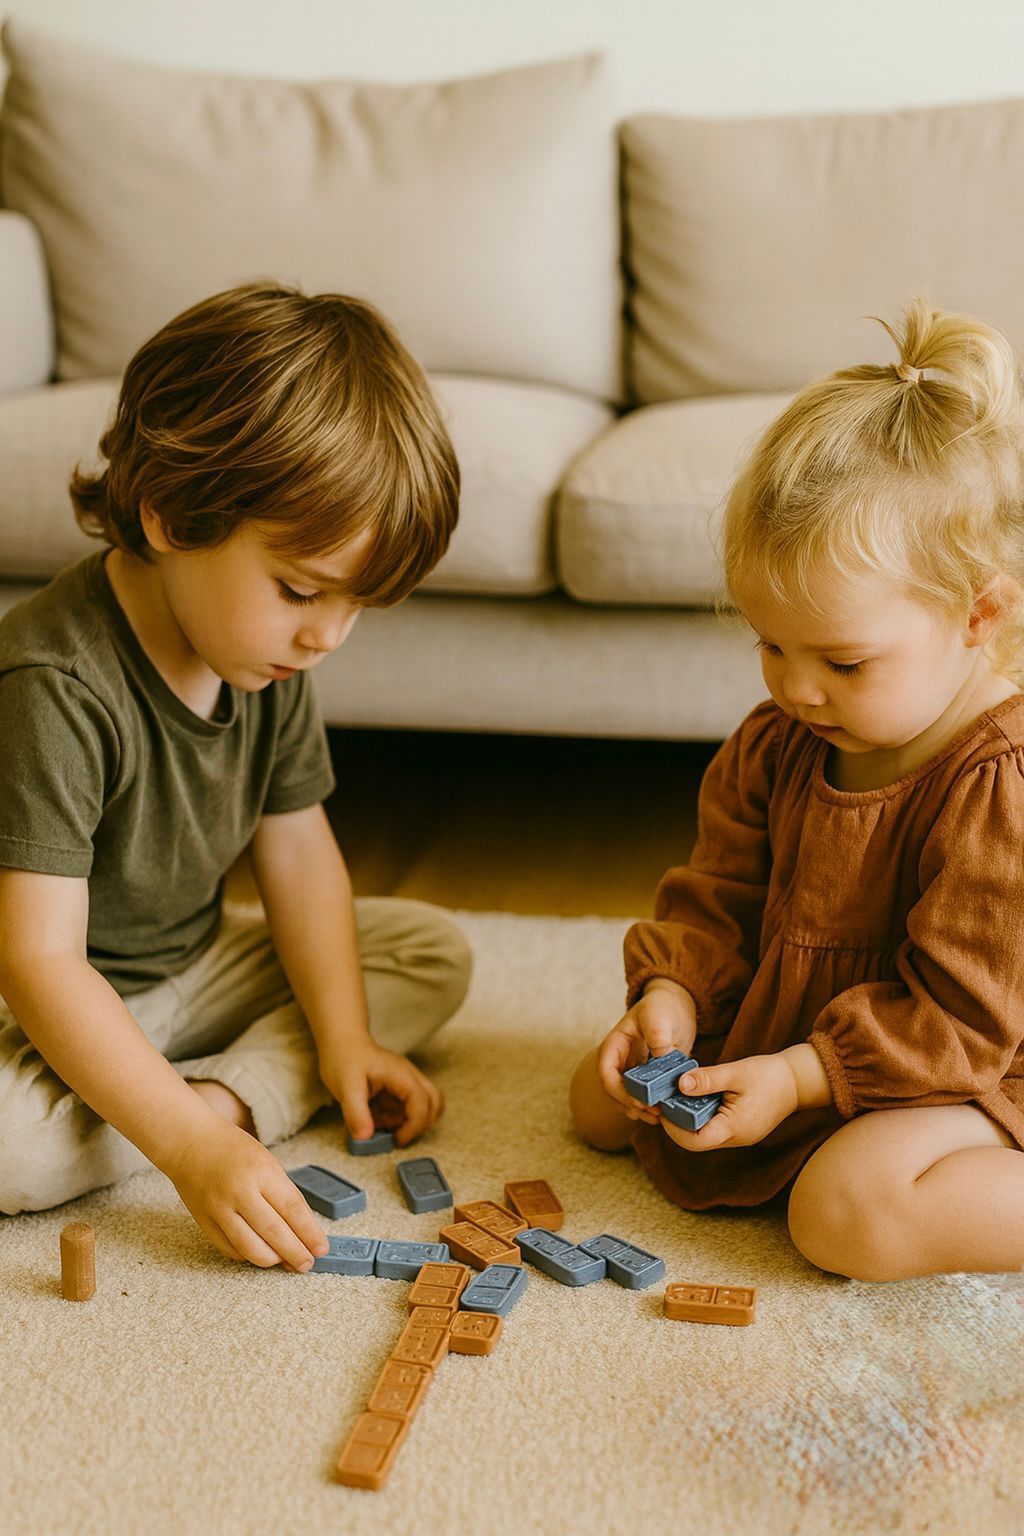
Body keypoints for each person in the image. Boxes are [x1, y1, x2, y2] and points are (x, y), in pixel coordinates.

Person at [0, 284, 472, 1274]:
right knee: (11, 1149)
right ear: (171, 515)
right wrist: (186, 1149)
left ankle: (219, 1095)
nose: (325, 636)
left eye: (354, 608)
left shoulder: (262, 655)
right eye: (301, 590)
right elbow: (40, 963)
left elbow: (299, 855)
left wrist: (343, 1040)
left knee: (427, 954)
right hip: (40, 1003)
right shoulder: (52, 684)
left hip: (190, 967)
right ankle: (197, 1112)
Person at [571, 298, 1024, 1283]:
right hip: (818, 1028)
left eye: (844, 662)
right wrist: (670, 992)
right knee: (601, 1100)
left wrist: (801, 1075)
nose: (793, 687)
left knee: (842, 1214)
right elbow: (720, 891)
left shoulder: (1000, 787)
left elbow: (963, 1022)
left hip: (967, 1056)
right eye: (767, 643)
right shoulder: (779, 741)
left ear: (978, 613)